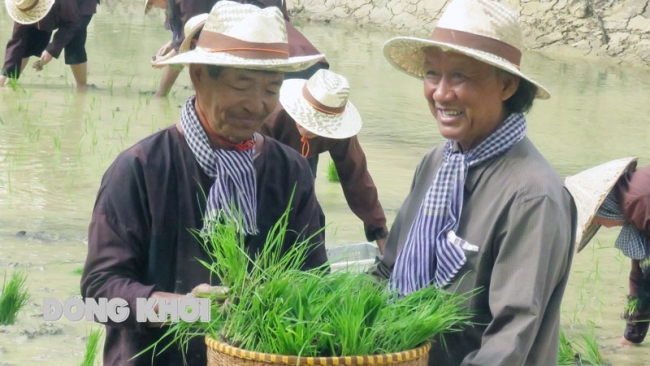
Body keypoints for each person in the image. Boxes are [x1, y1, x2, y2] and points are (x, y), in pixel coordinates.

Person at [80, 2, 327, 365]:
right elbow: (99, 292)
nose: (257, 105)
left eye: (272, 89)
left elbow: (314, 277)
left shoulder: (289, 171)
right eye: (242, 84)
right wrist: (185, 309)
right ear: (198, 75)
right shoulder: (140, 169)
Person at [370, 0, 577, 364]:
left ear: (507, 85)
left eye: (460, 77)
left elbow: (510, 339)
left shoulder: (532, 196)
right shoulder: (438, 162)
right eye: (432, 74)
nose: (440, 93)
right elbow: (389, 269)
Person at [261, 69, 388, 252]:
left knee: (315, 222)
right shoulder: (270, 116)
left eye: (317, 122)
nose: (307, 126)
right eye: (306, 116)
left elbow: (356, 177)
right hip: (264, 169)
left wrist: (380, 231)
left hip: (304, 162)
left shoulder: (339, 134)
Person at [566, 157, 650, 347]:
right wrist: (630, 338)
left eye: (597, 221)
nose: (604, 226)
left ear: (605, 209)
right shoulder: (631, 205)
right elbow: (640, 278)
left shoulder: (638, 202)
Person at [1, 0, 85, 88]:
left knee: (74, 44)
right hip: (51, 10)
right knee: (26, 44)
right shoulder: (22, 4)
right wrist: (4, 73)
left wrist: (52, 49)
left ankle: (82, 88)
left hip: (81, 5)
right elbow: (17, 39)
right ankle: (9, 83)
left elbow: (72, 23)